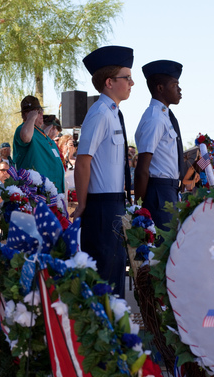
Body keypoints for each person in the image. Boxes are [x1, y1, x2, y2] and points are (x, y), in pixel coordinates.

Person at [72, 45, 134, 298]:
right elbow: (83, 161)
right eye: (126, 77)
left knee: (116, 271)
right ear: (109, 82)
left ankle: (116, 334)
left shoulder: (112, 112)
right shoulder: (99, 114)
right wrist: (82, 204)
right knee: (105, 279)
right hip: (100, 205)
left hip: (114, 203)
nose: (132, 83)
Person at [133, 60, 185, 229]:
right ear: (160, 88)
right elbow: (142, 169)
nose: (179, 89)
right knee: (160, 250)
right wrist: (139, 209)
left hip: (169, 191)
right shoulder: (155, 118)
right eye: (174, 84)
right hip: (158, 192)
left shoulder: (165, 116)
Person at [12, 95, 65, 193]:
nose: (41, 113)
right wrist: (31, 118)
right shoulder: (23, 129)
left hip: (54, 191)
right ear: (25, 114)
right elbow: (26, 137)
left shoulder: (40, 133)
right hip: (37, 193)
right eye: (36, 111)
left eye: (40, 110)